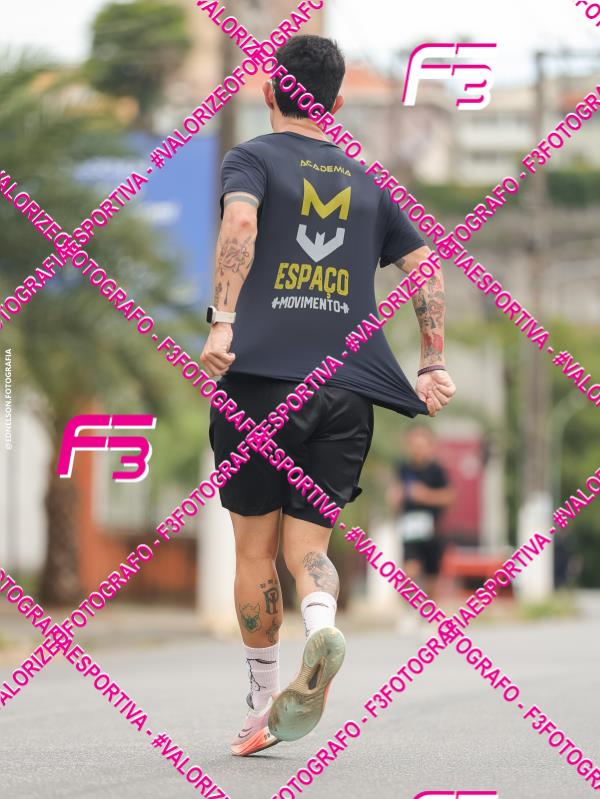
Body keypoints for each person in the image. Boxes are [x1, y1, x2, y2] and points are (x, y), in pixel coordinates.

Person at [200, 34, 456, 756]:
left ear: (268, 91)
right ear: (337, 104)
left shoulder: (251, 158)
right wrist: (431, 362)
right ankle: (322, 626)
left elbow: (241, 222)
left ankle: (261, 703)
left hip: (259, 384)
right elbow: (427, 268)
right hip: (346, 391)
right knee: (308, 545)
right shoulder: (372, 181)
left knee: (255, 548)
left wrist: (223, 321)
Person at [388, 426, 455, 597]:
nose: (417, 450)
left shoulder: (437, 470)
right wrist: (395, 497)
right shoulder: (403, 468)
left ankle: (429, 607)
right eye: (414, 446)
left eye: (421, 446)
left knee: (432, 575)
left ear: (430, 446)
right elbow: (394, 492)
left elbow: (448, 497)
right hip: (410, 527)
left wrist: (425, 495)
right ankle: (410, 605)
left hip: (433, 528)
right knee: (410, 569)